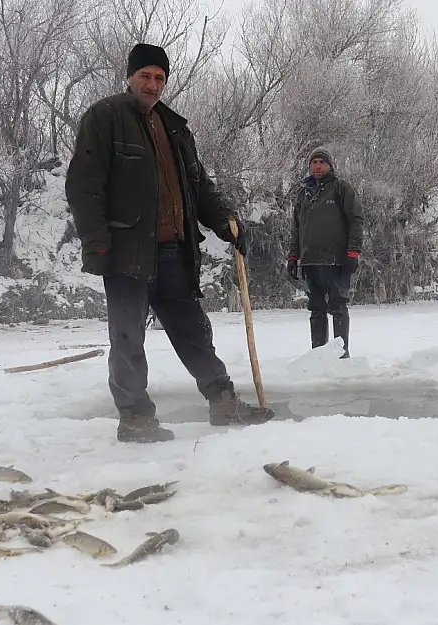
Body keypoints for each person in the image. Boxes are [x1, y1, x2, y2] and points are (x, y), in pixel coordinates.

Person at [65, 43, 274, 443]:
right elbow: (84, 185)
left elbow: (198, 186)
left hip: (174, 251)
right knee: (127, 337)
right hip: (127, 251)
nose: (153, 83)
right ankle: (135, 418)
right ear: (130, 77)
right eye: (145, 75)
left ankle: (223, 402)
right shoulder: (105, 117)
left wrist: (225, 222)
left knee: (194, 329)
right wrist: (97, 242)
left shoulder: (175, 128)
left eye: (160, 77)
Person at [285, 148, 364, 358]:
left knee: (338, 306)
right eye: (314, 162)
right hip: (310, 261)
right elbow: (296, 227)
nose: (317, 166)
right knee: (316, 309)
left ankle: (341, 355)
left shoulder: (341, 188)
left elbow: (356, 221)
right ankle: (318, 356)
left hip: (336, 260)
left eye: (322, 162)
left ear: (330, 165)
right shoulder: (304, 193)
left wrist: (353, 252)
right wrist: (293, 257)